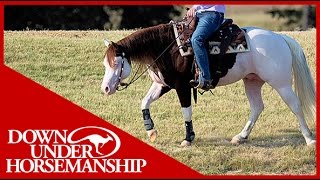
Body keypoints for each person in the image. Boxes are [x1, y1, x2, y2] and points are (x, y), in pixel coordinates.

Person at [187, 5, 226, 91]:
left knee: (196, 40)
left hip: (212, 14)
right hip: (197, 14)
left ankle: (206, 79)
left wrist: (195, 7)